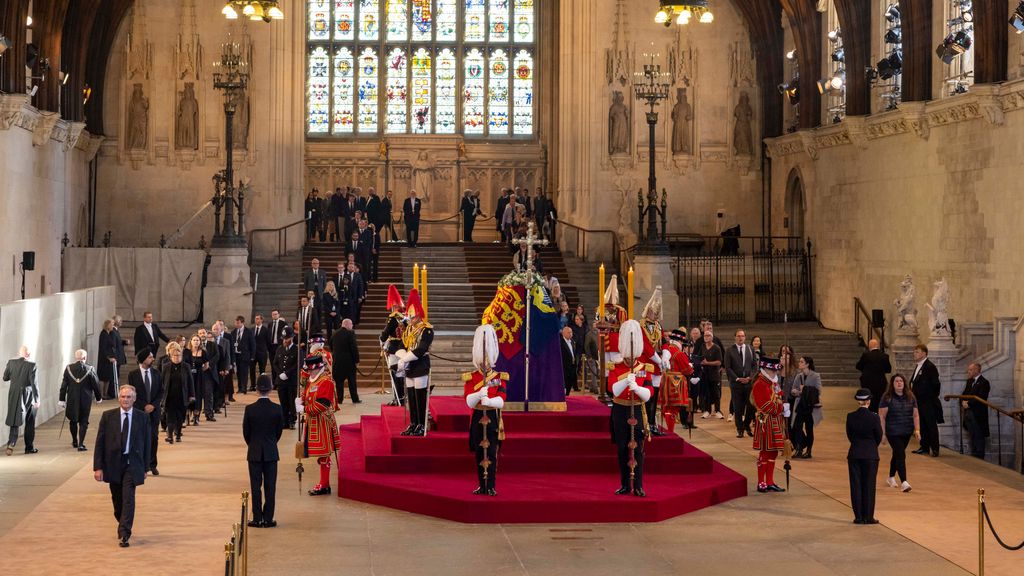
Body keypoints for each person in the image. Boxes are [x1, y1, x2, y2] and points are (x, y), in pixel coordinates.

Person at [94, 384, 151, 547]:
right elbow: (100, 443)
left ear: (134, 399)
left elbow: (147, 443)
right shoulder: (107, 416)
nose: (125, 400)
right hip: (113, 464)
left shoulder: (142, 417)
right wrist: (98, 467)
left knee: (128, 498)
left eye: (129, 397)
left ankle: (124, 533)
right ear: (119, 398)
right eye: (123, 397)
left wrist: (145, 467)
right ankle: (122, 521)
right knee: (117, 500)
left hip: (132, 464)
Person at [608, 319, 652, 497]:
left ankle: (639, 485)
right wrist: (627, 380)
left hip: (638, 410)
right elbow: (613, 390)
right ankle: (625, 484)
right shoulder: (615, 367)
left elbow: (649, 392)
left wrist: (638, 388)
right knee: (621, 449)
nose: (631, 358)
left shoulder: (644, 367)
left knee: (639, 448)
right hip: (620, 410)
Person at [463, 325, 507, 496]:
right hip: (477, 417)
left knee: (492, 453)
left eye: (487, 359)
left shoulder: (499, 377)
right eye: (483, 359)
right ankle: (482, 484)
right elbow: (468, 401)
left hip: (492, 417)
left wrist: (490, 400)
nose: (485, 362)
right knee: (480, 453)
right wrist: (477, 395)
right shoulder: (471, 377)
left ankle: (491, 485)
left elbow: (502, 400)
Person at [243, 374, 284, 528]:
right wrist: (271, 443)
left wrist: (253, 444)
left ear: (257, 391)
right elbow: (278, 431)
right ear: (271, 389)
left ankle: (257, 517)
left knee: (255, 486)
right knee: (270, 486)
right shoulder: (277, 409)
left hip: (254, 451)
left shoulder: (250, 409)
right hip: (271, 451)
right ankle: (268, 518)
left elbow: (246, 432)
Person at [297, 353, 341, 496]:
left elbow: (322, 404)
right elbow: (308, 394)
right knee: (321, 455)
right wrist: (301, 400)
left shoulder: (326, 381)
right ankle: (324, 483)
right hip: (313, 421)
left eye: (310, 370)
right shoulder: (312, 380)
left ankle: (324, 484)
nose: (308, 373)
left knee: (324, 455)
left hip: (322, 422)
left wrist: (304, 409)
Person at [397, 289, 433, 436]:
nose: (410, 320)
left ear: (418, 315)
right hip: (410, 366)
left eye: (412, 317)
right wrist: (402, 356)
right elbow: (402, 345)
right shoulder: (409, 329)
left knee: (420, 397)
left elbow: (421, 348)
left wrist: (405, 358)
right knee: (411, 397)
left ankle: (421, 424)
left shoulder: (427, 330)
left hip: (420, 365)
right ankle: (413, 423)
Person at [751, 355, 788, 493]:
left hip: (775, 421)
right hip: (765, 421)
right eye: (774, 371)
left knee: (773, 453)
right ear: (766, 369)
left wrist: (783, 404)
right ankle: (761, 482)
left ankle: (770, 481)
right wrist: (782, 408)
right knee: (765, 452)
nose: (776, 373)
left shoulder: (772, 383)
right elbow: (766, 406)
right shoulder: (760, 383)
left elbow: (778, 396)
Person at [846, 388, 883, 524]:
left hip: (854, 453)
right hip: (870, 454)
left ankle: (858, 516)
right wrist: (871, 446)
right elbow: (878, 436)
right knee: (869, 485)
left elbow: (850, 435)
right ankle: (868, 516)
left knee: (856, 485)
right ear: (868, 401)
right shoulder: (874, 417)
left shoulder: (850, 416)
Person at [879, 374, 919, 493]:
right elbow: (882, 416)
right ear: (892, 384)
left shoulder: (911, 397)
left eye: (901, 381)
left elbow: (916, 415)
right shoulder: (887, 398)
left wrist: (917, 430)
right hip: (893, 431)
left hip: (906, 430)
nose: (899, 383)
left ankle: (891, 477)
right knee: (901, 454)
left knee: (897, 454)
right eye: (896, 381)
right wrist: (883, 433)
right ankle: (904, 482)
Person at [639, 287, 668, 435]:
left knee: (655, 396)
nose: (655, 313)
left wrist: (666, 357)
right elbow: (645, 347)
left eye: (657, 311)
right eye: (653, 311)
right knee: (646, 395)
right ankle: (644, 423)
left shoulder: (658, 326)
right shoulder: (640, 325)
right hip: (645, 365)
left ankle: (652, 423)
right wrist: (658, 360)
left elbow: (664, 342)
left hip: (657, 365)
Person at [129, 350, 163, 475]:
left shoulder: (156, 373)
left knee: (154, 438)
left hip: (154, 411)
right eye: (150, 357)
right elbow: (132, 393)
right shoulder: (133, 374)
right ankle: (141, 464)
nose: (152, 359)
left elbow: (161, 392)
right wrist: (144, 406)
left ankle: (152, 464)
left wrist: (153, 405)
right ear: (143, 359)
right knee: (140, 438)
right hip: (139, 410)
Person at [4, 346, 39, 455]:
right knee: (30, 421)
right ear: (28, 354)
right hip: (28, 395)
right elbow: (34, 384)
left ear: (19, 353)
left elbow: (5, 378)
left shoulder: (11, 363)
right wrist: (37, 399)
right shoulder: (32, 365)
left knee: (14, 418)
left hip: (14, 394)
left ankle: (12, 442)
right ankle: (29, 447)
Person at [909, 344, 942, 457]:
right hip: (919, 402)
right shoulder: (919, 365)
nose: (915, 353)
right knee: (922, 425)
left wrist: (930, 397)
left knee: (930, 425)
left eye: (917, 352)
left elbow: (936, 384)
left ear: (924, 353)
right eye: (914, 351)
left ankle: (935, 449)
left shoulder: (929, 366)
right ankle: (924, 447)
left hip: (928, 402)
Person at [724, 329, 757, 438]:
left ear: (745, 337)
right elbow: (728, 368)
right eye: (738, 336)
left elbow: (754, 366)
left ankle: (746, 425)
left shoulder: (750, 349)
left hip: (748, 383)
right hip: (736, 383)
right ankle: (740, 429)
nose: (740, 338)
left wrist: (750, 377)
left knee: (751, 406)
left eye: (742, 336)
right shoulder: (729, 350)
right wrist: (737, 378)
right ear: (735, 337)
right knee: (738, 407)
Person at [160, 342, 194, 444]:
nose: (177, 357)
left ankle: (178, 434)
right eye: (174, 355)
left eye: (179, 355)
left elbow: (190, 382)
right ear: (170, 356)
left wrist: (191, 395)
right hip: (169, 397)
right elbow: (162, 382)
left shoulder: (186, 366)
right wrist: (160, 396)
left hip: (182, 396)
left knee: (180, 418)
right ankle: (170, 436)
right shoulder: (166, 366)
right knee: (170, 417)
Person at [661, 330, 695, 434]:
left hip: (664, 382)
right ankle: (670, 431)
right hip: (675, 384)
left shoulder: (665, 350)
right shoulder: (679, 353)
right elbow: (687, 371)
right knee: (673, 409)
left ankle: (667, 428)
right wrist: (690, 366)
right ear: (679, 341)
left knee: (666, 408)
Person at [380, 285, 407, 407]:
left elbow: (385, 334)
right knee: (401, 374)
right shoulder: (406, 319)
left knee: (394, 374)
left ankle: (398, 398)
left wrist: (381, 340)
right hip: (404, 349)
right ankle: (401, 397)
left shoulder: (392, 319)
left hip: (394, 349)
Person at [791, 356, 822, 459]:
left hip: (810, 406)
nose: (799, 363)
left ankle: (809, 451)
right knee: (797, 427)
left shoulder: (815, 376)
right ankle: (799, 449)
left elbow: (818, 391)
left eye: (801, 362)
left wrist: (804, 389)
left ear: (807, 364)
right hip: (800, 405)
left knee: (809, 429)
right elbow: (793, 390)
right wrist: (797, 392)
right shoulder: (798, 376)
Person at [960, 362, 990, 459]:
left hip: (978, 414)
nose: (968, 372)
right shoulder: (969, 381)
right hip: (968, 413)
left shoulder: (984, 382)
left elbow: (981, 397)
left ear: (977, 370)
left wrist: (968, 404)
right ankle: (974, 456)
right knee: (972, 434)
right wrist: (962, 402)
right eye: (968, 370)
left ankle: (979, 456)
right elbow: (964, 394)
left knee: (979, 435)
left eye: (970, 370)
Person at [272, 327, 300, 429]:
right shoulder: (280, 349)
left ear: (292, 338)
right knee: (283, 401)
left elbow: (298, 364)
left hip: (291, 380)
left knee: (291, 401)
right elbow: (275, 363)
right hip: (281, 381)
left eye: (287, 338)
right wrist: (280, 373)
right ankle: (284, 420)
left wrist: (287, 373)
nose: (284, 341)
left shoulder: (297, 350)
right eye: (283, 339)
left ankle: (292, 420)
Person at [856, 339, 892, 413]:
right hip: (880, 382)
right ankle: (877, 415)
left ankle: (868, 414)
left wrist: (866, 370)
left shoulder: (866, 355)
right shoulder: (885, 356)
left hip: (867, 381)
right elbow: (888, 369)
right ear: (878, 346)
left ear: (869, 346)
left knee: (868, 398)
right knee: (879, 399)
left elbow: (858, 366)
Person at [330, 318, 361, 404]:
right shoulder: (350, 333)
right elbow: (354, 348)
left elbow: (331, 346)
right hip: (349, 362)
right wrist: (357, 360)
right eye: (351, 324)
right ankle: (355, 399)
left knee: (339, 382)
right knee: (352, 382)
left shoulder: (334, 333)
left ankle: (339, 399)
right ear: (347, 324)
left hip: (337, 362)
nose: (352, 326)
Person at [183, 334, 212, 424]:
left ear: (200, 342)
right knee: (188, 395)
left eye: (197, 340)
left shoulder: (203, 352)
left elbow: (206, 365)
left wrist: (199, 371)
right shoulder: (186, 352)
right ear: (191, 341)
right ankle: (187, 416)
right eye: (194, 340)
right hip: (188, 376)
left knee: (198, 396)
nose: (196, 342)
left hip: (199, 377)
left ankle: (196, 416)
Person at [699, 331, 723, 419]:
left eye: (708, 335)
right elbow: (700, 357)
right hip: (705, 374)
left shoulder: (717, 348)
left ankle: (718, 410)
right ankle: (707, 410)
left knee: (716, 393)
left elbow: (719, 362)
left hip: (714, 374)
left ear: (712, 337)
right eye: (705, 335)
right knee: (706, 393)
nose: (706, 337)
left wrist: (707, 363)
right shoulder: (702, 346)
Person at [233, 316, 256, 394]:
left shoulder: (248, 331)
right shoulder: (233, 332)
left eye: (238, 323)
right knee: (238, 373)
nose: (236, 324)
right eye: (235, 322)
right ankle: (239, 388)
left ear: (242, 323)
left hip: (245, 355)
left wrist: (252, 356)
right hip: (236, 355)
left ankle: (244, 388)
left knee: (244, 373)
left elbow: (253, 344)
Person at [98, 319, 119, 399]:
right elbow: (103, 349)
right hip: (104, 359)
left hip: (109, 359)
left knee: (108, 377)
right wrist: (108, 358)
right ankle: (101, 395)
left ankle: (105, 394)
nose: (113, 326)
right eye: (112, 324)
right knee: (103, 377)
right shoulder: (103, 334)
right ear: (108, 325)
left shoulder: (109, 333)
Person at [252, 314, 271, 386]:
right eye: (255, 318)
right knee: (252, 370)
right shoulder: (252, 329)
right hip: (253, 354)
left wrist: (265, 350)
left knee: (262, 370)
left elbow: (268, 342)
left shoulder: (266, 330)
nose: (256, 320)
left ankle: (261, 385)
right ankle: (252, 385)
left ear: (261, 320)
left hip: (262, 353)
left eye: (258, 318)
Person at [560, 325, 578, 395]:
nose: (570, 334)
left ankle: (567, 394)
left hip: (572, 366)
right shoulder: (560, 343)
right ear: (563, 333)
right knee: (565, 382)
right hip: (564, 366)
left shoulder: (573, 341)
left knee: (570, 382)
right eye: (568, 332)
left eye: (571, 332)